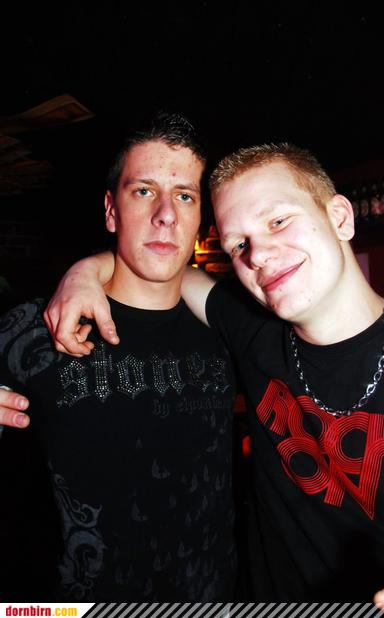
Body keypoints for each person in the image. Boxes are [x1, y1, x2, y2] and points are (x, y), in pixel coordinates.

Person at [35, 141, 384, 604]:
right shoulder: (254, 332)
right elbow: (168, 271)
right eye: (239, 244)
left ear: (340, 218)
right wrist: (85, 272)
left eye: (278, 221)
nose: (259, 255)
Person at [0, 112, 238, 601]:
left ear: (200, 219)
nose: (166, 214)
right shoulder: (36, 325)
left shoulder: (229, 327)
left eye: (185, 196)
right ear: (111, 211)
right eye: (144, 191)